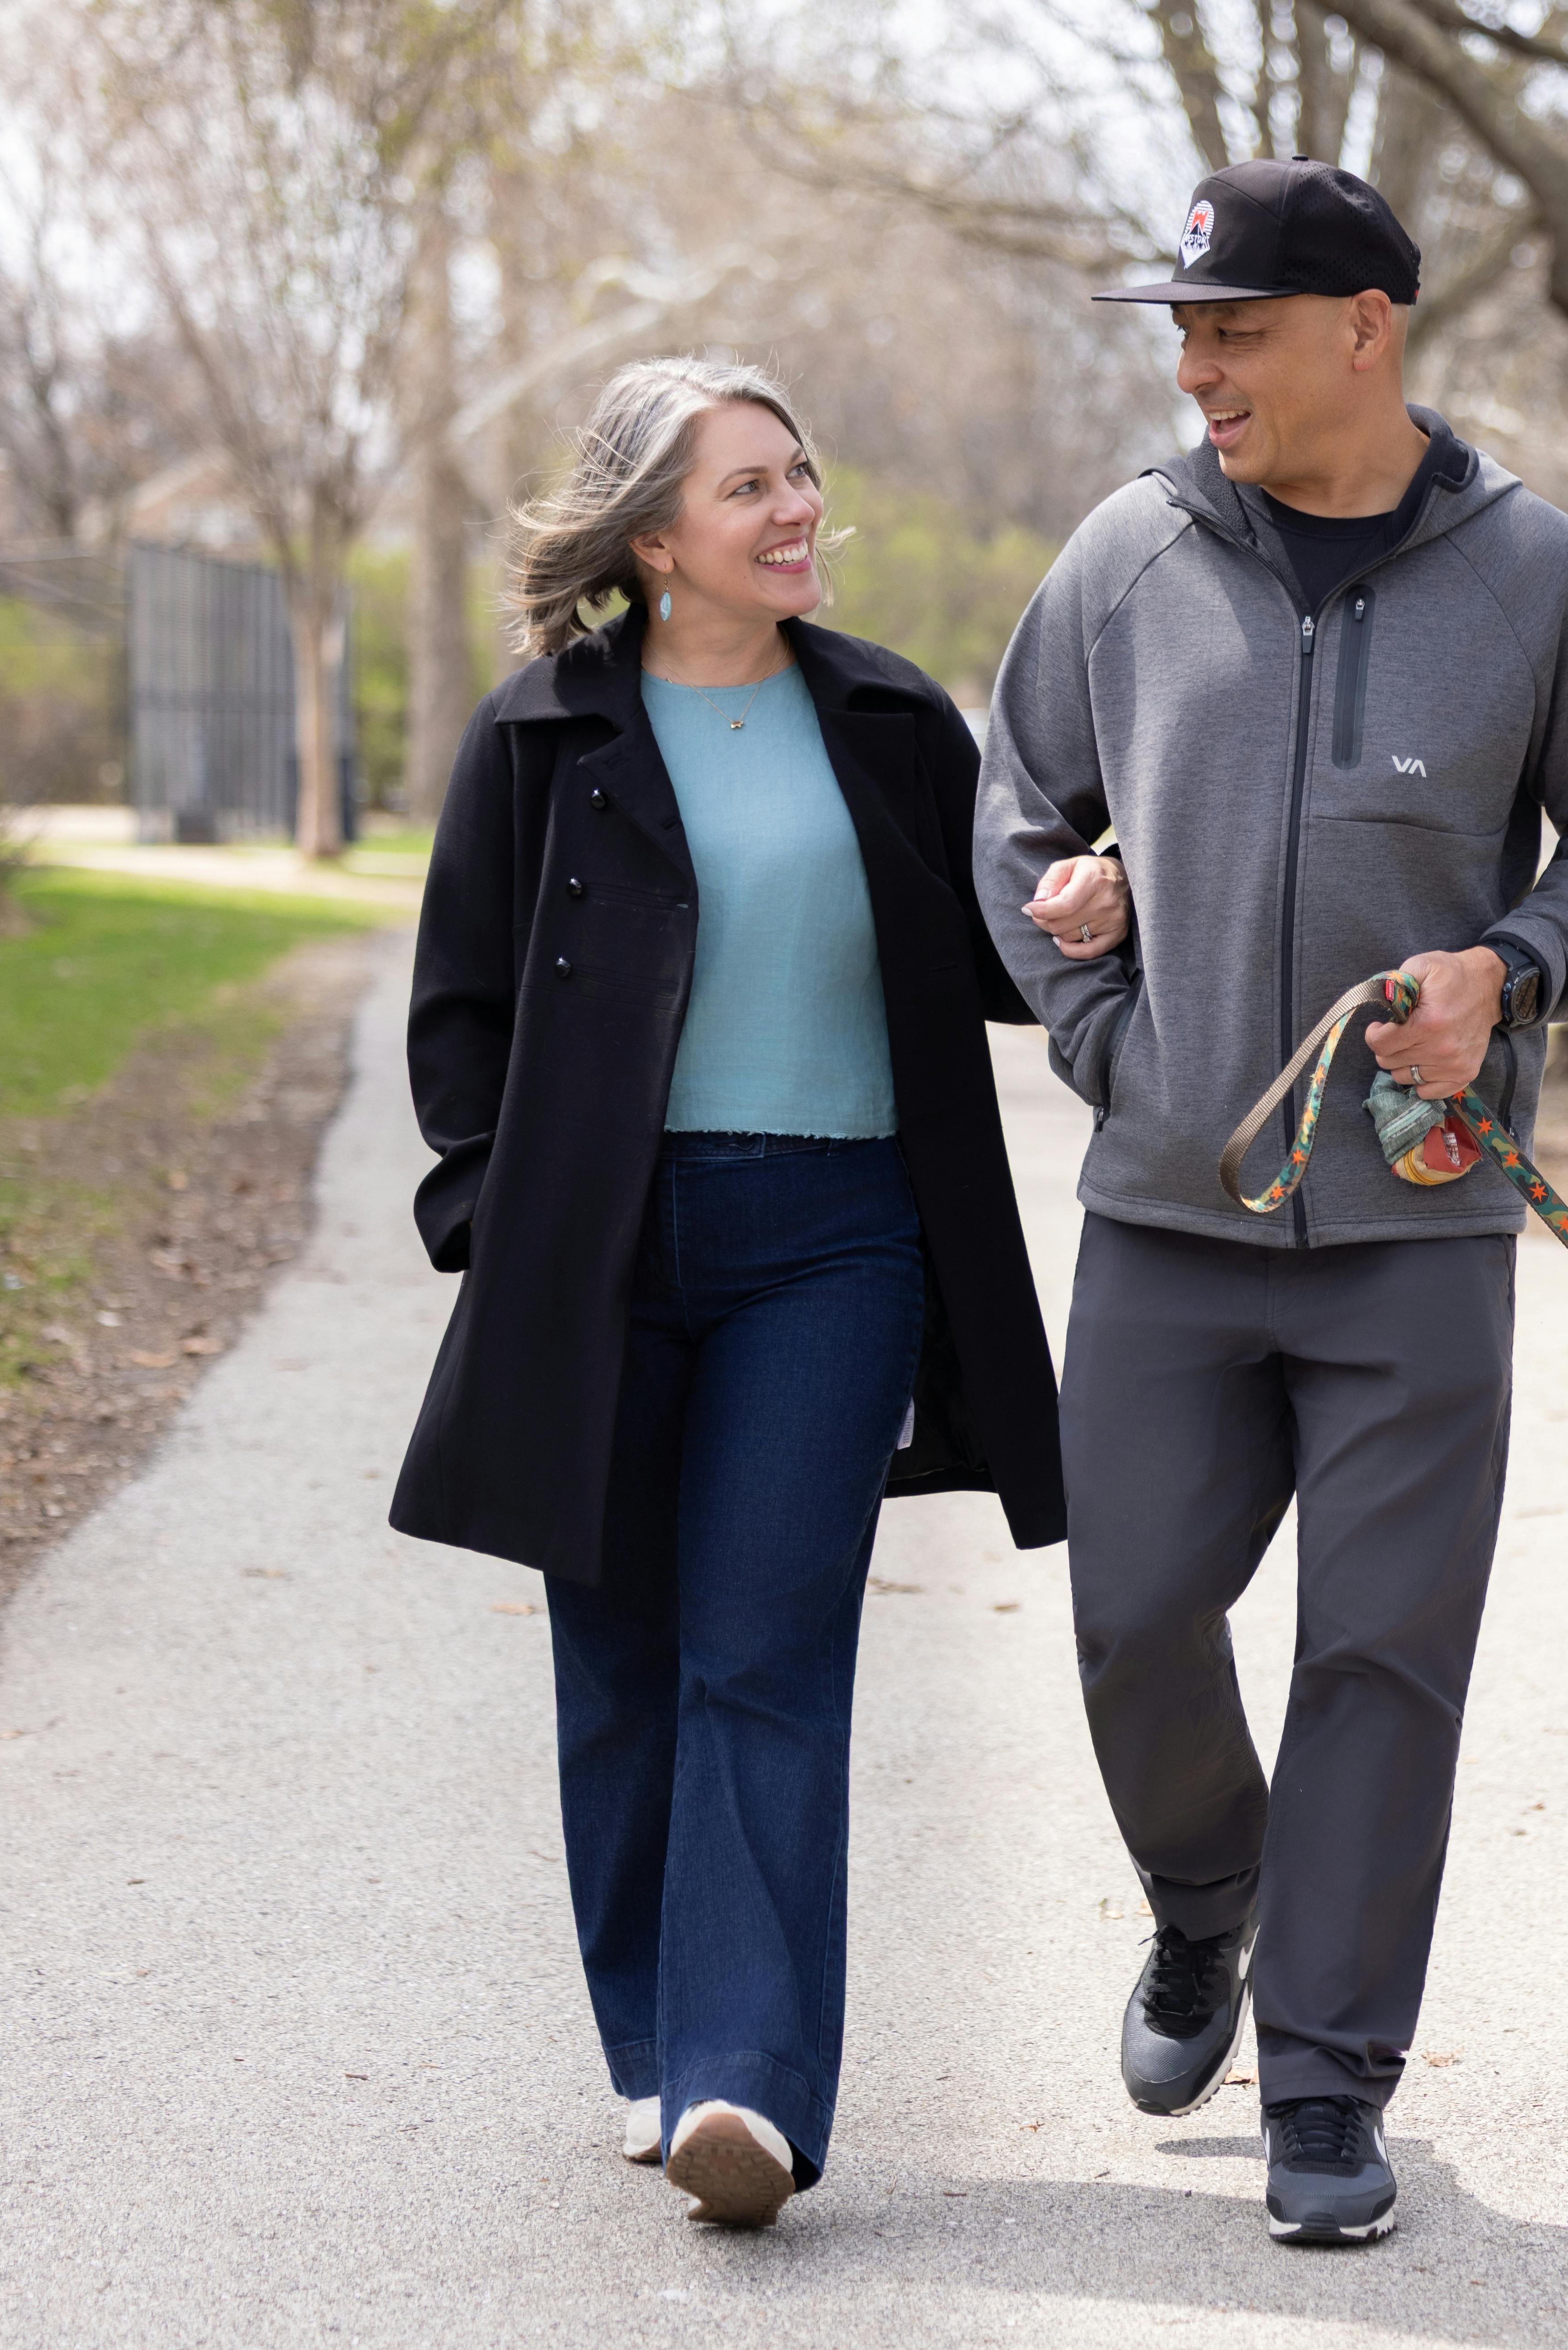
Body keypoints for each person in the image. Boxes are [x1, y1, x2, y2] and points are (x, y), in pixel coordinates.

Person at [977, 161, 1568, 2245]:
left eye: (1232, 330)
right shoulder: (1124, 556)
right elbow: (1019, 808)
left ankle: (1323, 2081)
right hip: (1168, 1221)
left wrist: (1517, 967)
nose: (1195, 368)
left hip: (1419, 1227)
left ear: (1363, 330)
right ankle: (1207, 1907)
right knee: (1132, 1617)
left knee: (1381, 1654)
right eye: (1183, 334)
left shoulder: (1537, 576)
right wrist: (1110, 1032)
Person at [392, 357, 1119, 2230]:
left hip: (836, 1245)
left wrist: (1068, 918)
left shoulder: (883, 716)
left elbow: (978, 950)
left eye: (800, 477)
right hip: (600, 1259)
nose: (796, 510)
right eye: (748, 488)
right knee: (619, 1657)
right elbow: (459, 1014)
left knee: (766, 1653)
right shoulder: (539, 737)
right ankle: (653, 2042)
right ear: (653, 539)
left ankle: (747, 2084)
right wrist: (497, 1226)